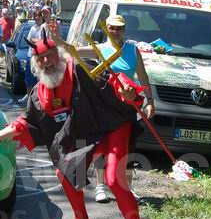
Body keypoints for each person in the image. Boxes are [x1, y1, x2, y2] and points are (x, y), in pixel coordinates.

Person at [0, 28, 150, 219]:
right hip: (86, 134)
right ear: (34, 64)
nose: (46, 62)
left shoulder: (80, 68)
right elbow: (26, 122)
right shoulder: (39, 93)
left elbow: (114, 81)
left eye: (49, 55)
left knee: (114, 180)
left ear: (59, 54)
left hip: (112, 125)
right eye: (40, 59)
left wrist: (129, 94)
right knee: (64, 171)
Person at [50, 15, 153, 204]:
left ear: (124, 30)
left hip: (127, 103)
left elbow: (142, 75)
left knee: (127, 146)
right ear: (107, 29)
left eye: (119, 28)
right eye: (112, 28)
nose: (115, 31)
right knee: (102, 142)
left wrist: (150, 100)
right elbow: (74, 51)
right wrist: (58, 39)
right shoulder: (100, 49)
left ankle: (127, 188)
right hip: (104, 104)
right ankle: (101, 186)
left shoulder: (132, 49)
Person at [18, 10, 45, 104]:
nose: (37, 18)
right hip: (31, 55)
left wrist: (36, 41)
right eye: (36, 16)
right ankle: (29, 96)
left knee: (39, 78)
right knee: (28, 77)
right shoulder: (33, 28)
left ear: (42, 17)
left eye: (39, 16)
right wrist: (37, 41)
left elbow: (43, 41)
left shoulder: (44, 27)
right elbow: (29, 40)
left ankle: (39, 97)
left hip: (40, 56)